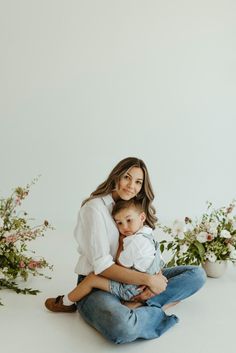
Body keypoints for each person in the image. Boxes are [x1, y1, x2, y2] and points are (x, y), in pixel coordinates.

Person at [45, 157, 206, 344]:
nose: (132, 186)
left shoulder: (134, 205)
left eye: (138, 182)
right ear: (116, 176)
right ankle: (151, 307)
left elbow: (149, 248)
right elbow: (102, 268)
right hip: (100, 283)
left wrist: (155, 277)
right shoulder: (94, 209)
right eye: (127, 177)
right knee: (122, 328)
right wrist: (149, 281)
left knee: (197, 274)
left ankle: (140, 302)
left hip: (137, 278)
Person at [45, 198, 166, 309]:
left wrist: (120, 243)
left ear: (142, 217)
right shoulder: (148, 233)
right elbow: (159, 260)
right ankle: (147, 303)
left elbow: (121, 265)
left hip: (132, 289)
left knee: (92, 278)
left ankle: (66, 303)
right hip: (150, 282)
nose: (124, 227)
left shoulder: (133, 243)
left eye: (129, 220)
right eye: (119, 223)